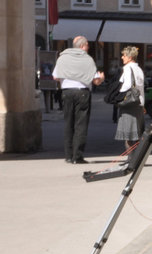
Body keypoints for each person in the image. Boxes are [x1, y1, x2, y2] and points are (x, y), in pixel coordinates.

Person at [52, 36, 104, 164]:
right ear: (82, 46)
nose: (88, 47)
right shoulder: (88, 59)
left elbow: (55, 77)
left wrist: (68, 77)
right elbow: (96, 81)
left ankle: (68, 156)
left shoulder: (62, 58)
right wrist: (102, 78)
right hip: (82, 93)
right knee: (81, 125)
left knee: (68, 124)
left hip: (67, 92)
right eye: (87, 45)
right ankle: (77, 156)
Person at [114, 46, 145, 150]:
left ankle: (131, 161)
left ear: (130, 57)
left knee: (128, 137)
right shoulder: (139, 69)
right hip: (138, 104)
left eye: (124, 55)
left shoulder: (127, 68)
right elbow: (141, 89)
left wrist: (118, 95)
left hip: (129, 105)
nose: (122, 57)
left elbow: (126, 86)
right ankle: (134, 160)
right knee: (136, 137)